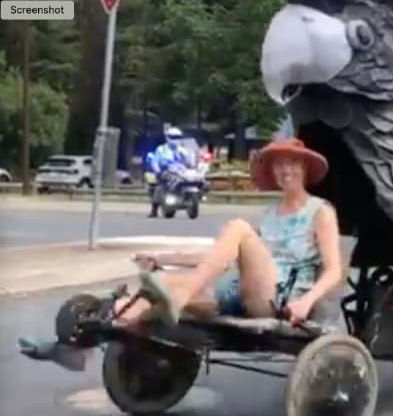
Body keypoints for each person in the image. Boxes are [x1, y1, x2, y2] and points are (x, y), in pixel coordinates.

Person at [115, 138, 344, 329]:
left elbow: (334, 270)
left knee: (238, 227)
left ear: (304, 168)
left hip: (278, 298)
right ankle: (107, 329)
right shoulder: (270, 214)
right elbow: (221, 258)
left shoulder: (320, 211)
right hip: (237, 291)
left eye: (292, 163)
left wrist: (306, 302)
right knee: (159, 286)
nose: (285, 170)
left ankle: (183, 295)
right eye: (279, 164)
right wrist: (162, 259)